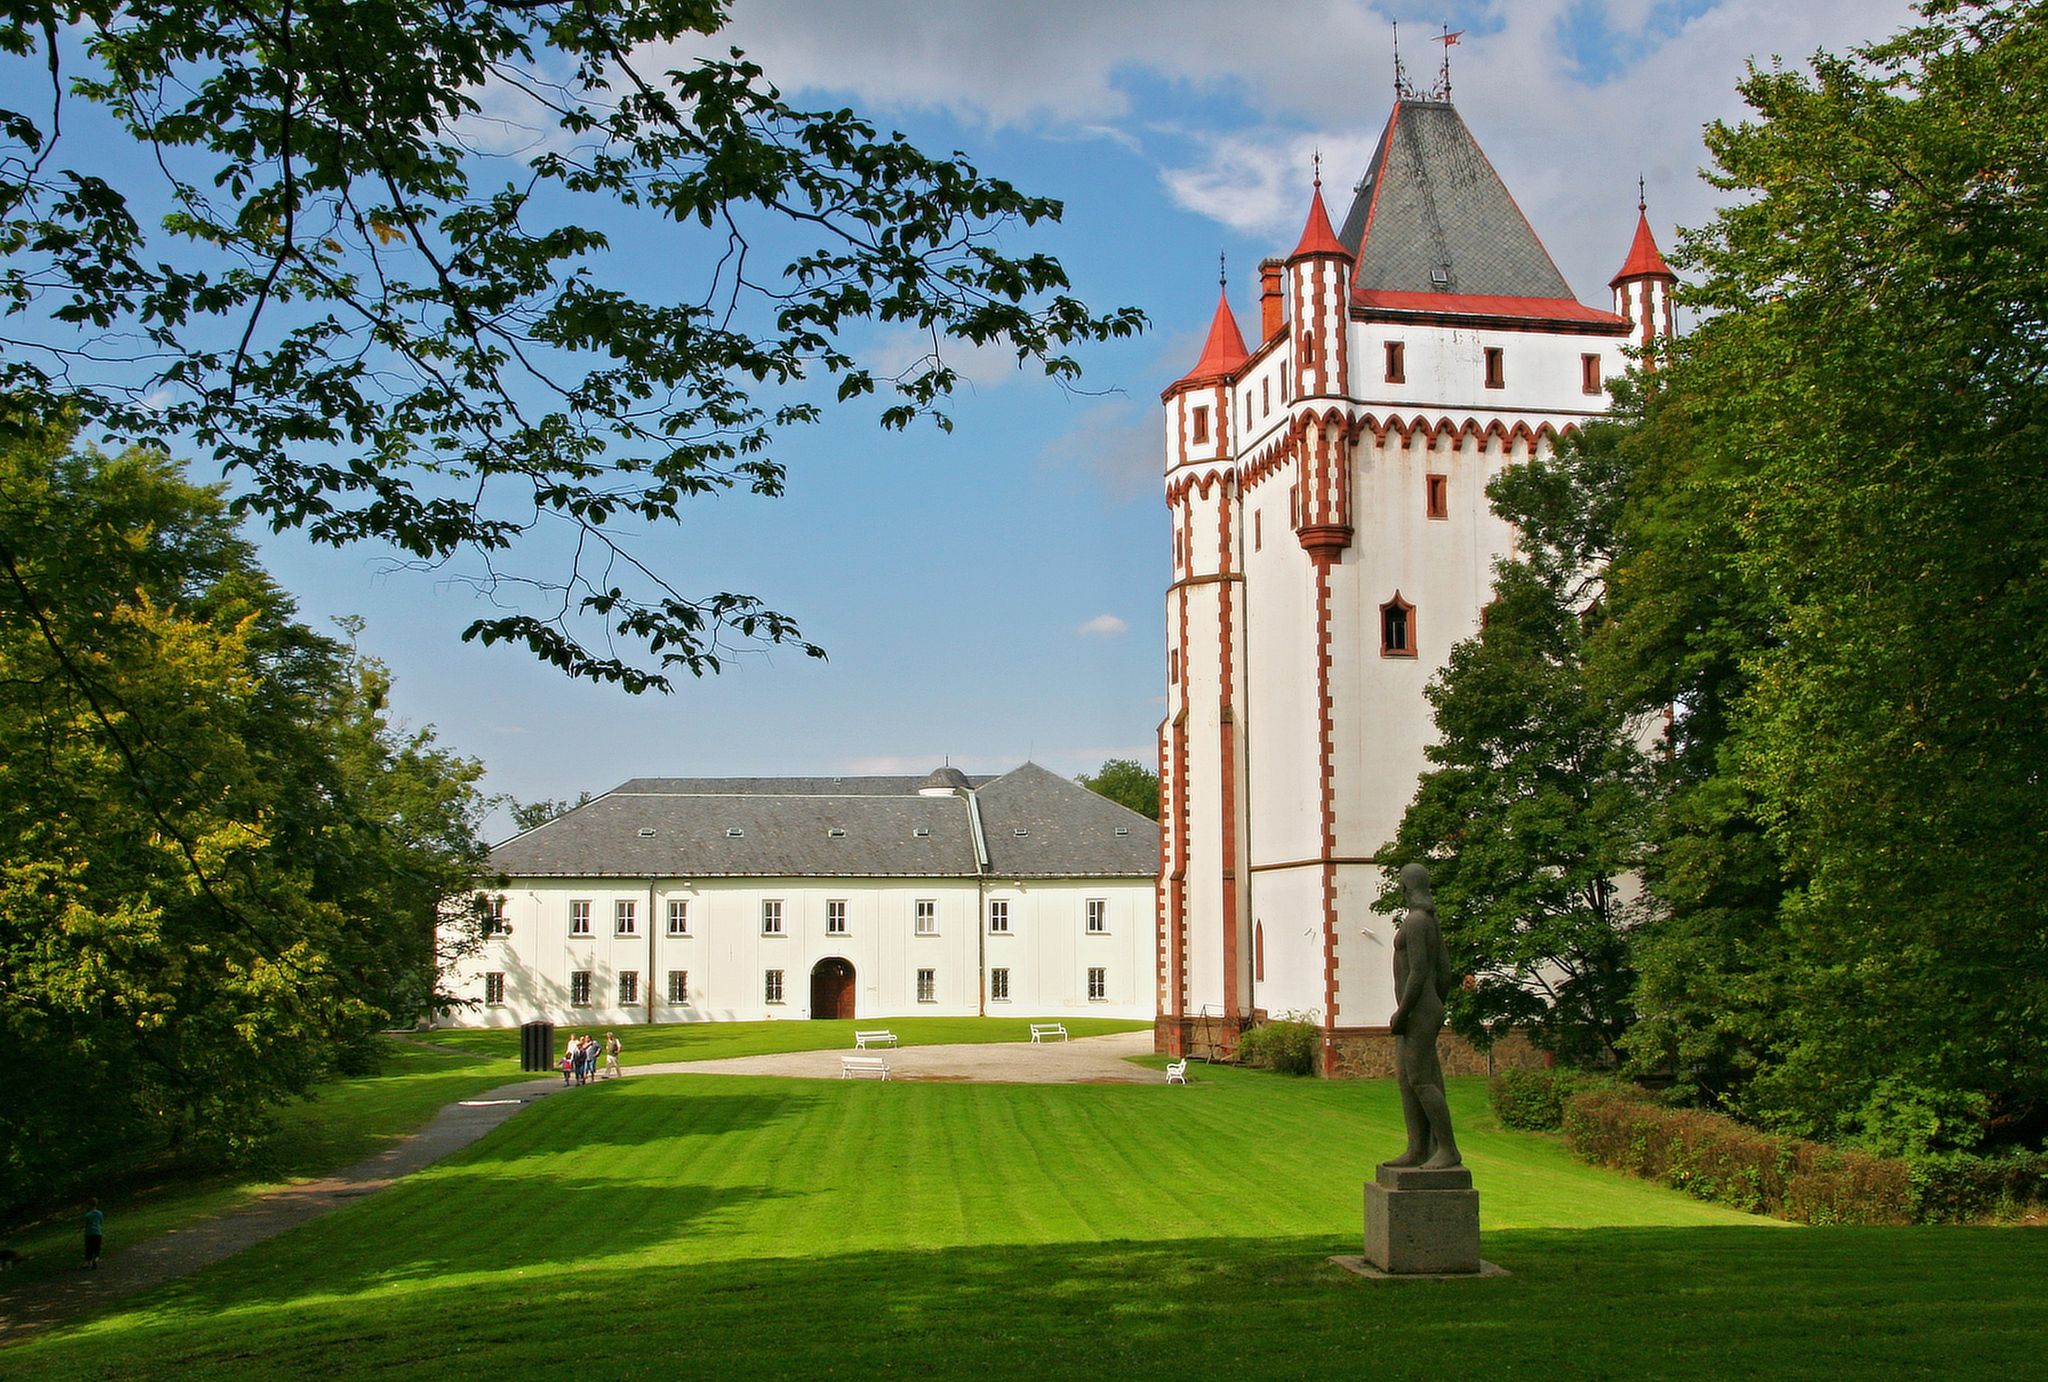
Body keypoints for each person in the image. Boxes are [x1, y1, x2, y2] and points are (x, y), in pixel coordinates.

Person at [1386, 862, 1462, 1169]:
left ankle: (1447, 1149)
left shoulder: (1417, 921)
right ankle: (1418, 1148)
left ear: (1405, 887)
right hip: (1424, 1007)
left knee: (1421, 1079)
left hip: (1417, 1009)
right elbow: (1444, 970)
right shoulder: (1428, 920)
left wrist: (1404, 1012)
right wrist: (1437, 1002)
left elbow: (1418, 971)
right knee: (1407, 1079)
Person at [82, 1198, 104, 1270]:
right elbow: (101, 1222)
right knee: (97, 1249)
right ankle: (96, 1259)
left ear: (89, 1205)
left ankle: (89, 1263)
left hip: (89, 1234)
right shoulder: (100, 1213)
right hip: (98, 1233)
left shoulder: (87, 1215)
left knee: (89, 1249)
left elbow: (85, 1224)